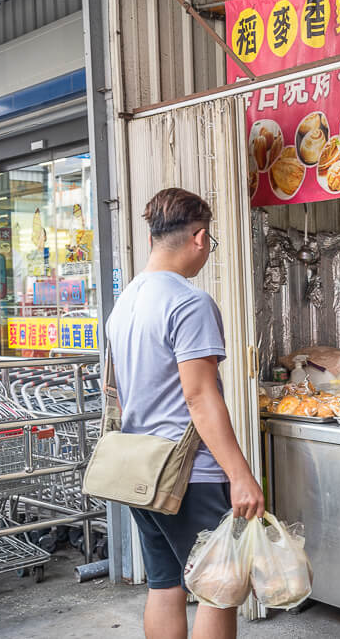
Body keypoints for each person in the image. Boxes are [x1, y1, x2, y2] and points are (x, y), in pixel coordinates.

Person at [106, 188, 264, 639]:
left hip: (141, 469)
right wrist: (240, 475)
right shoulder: (189, 302)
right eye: (209, 242)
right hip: (189, 474)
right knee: (219, 588)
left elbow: (123, 392)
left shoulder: (127, 301)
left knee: (165, 584)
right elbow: (200, 397)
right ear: (198, 237)